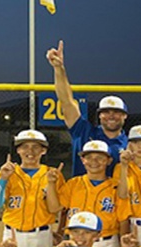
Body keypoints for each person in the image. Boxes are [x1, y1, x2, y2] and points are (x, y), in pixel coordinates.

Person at [46, 40, 128, 176]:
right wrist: (59, 69)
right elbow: (66, 101)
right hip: (81, 194)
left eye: (117, 112)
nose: (111, 116)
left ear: (125, 116)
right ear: (99, 115)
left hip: (115, 196)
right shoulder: (84, 131)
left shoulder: (131, 143)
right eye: (106, 112)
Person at [46, 140, 131, 247]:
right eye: (89, 157)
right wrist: (51, 183)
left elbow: (123, 220)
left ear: (109, 161)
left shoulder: (116, 186)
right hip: (75, 241)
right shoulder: (73, 183)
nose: (94, 161)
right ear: (82, 160)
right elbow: (54, 208)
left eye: (100, 157)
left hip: (106, 242)